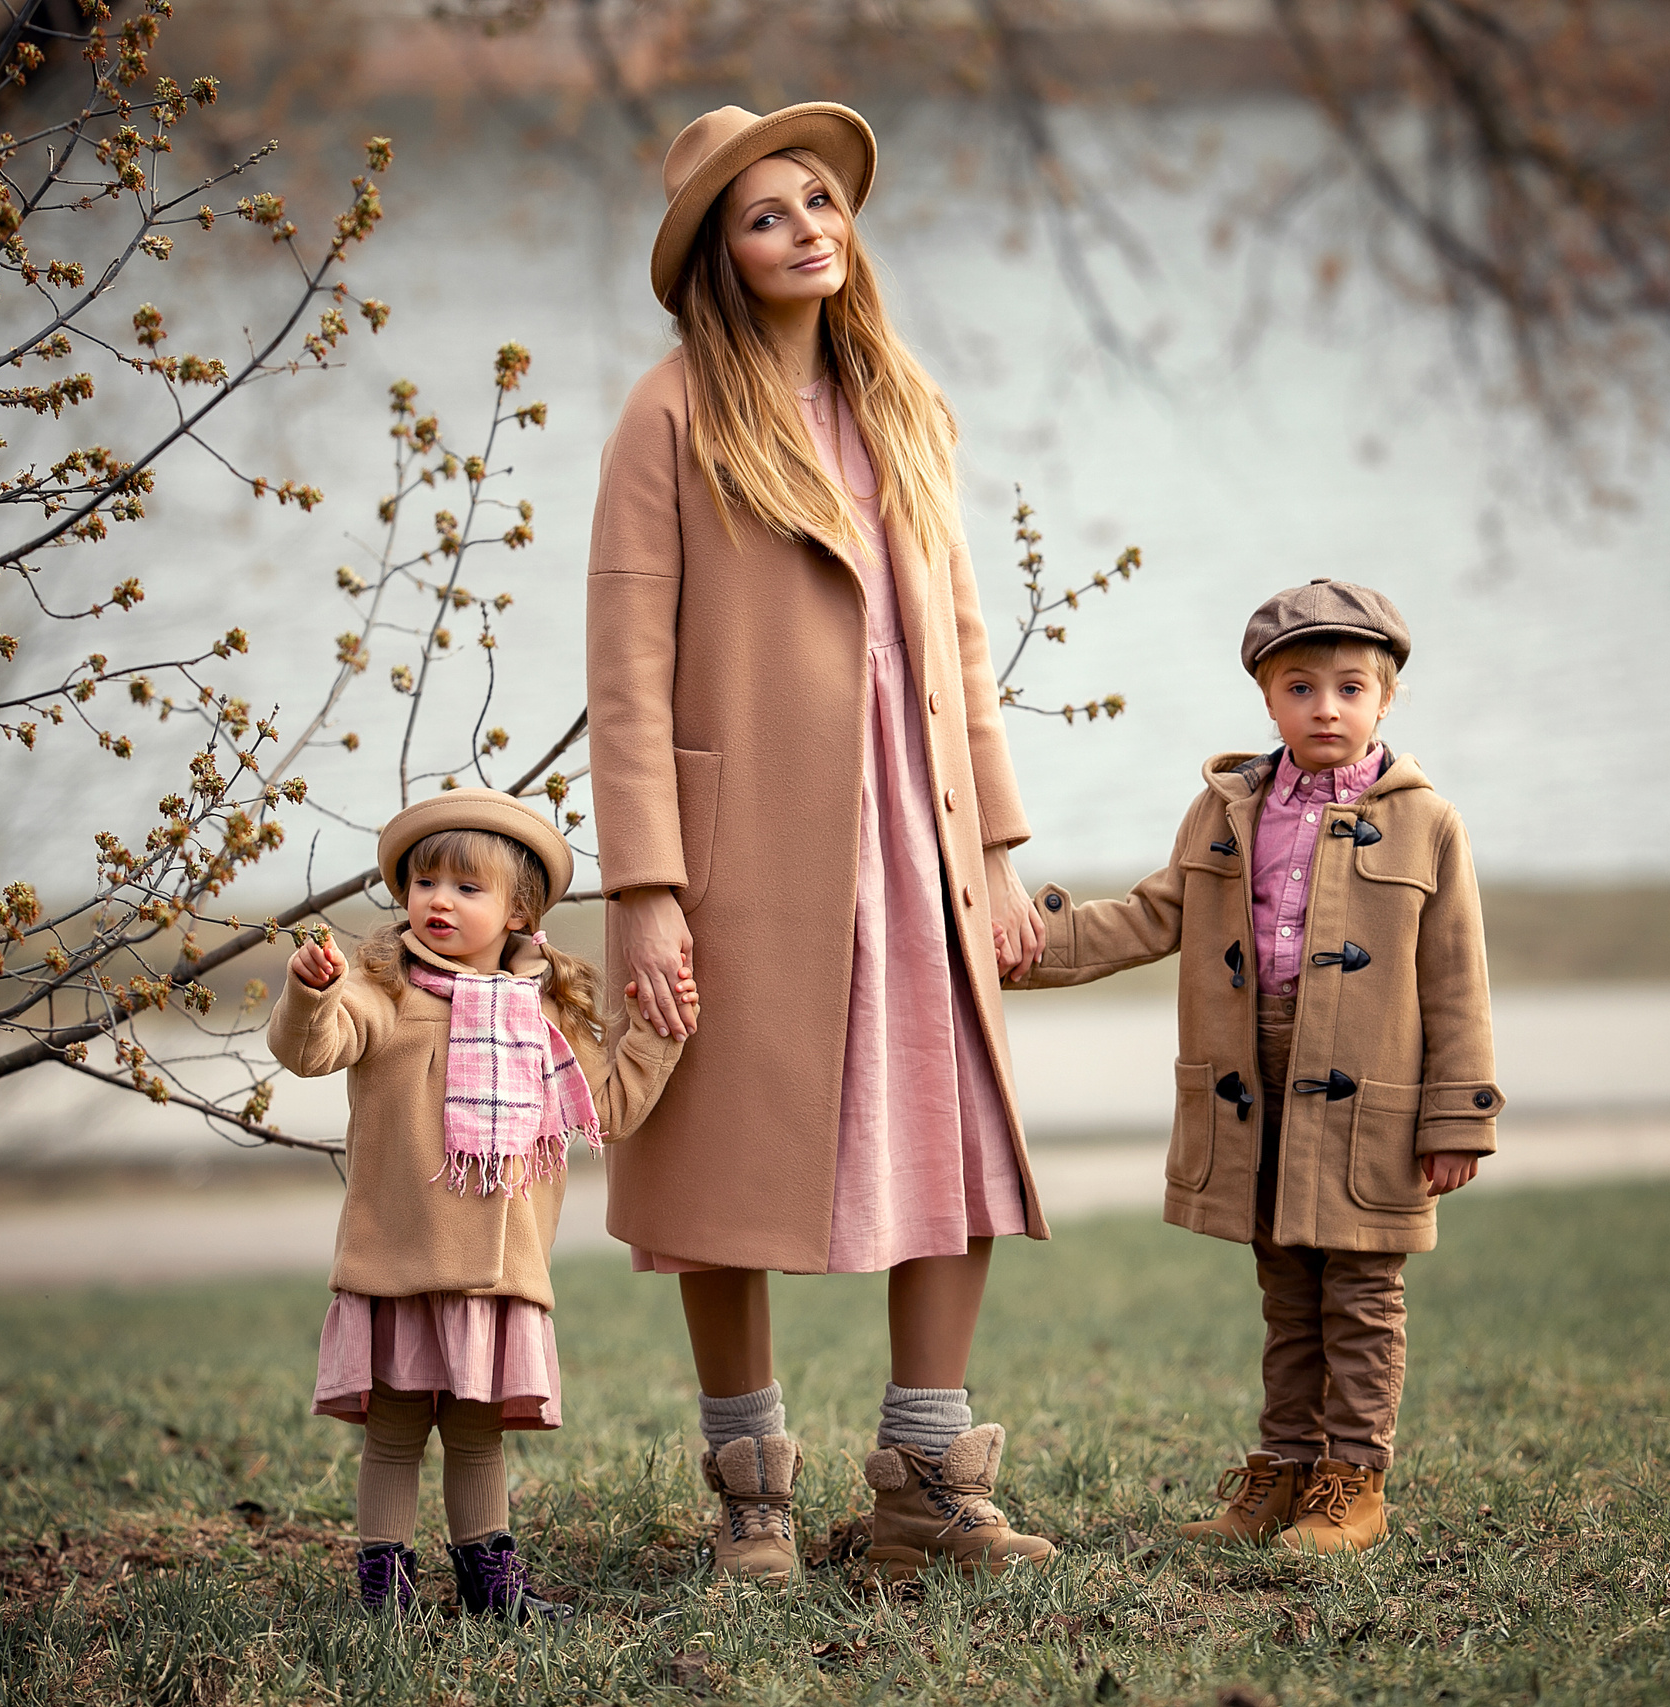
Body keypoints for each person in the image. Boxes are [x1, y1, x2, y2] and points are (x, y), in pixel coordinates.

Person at [585, 101, 1056, 1584]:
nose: (807, 228)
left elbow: (963, 646)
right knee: (720, 1156)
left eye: (819, 202)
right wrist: (649, 887)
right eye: (764, 214)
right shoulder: (670, 414)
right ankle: (752, 1499)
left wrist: (991, 843)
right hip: (744, 859)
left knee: (954, 1133)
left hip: (915, 835)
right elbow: (627, 668)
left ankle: (926, 1478)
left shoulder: (900, 404)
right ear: (719, 257)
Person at [1010, 580, 1504, 1553]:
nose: (1326, 706)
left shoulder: (1425, 823)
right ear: (1267, 700)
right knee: (1285, 1296)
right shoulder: (1228, 810)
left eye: (1350, 688)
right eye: (1300, 687)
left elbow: (1455, 980)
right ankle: (1280, 1474)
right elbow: (1154, 915)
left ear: (1384, 700)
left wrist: (1457, 1118)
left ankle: (1352, 1483)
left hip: (1370, 1104)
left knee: (1360, 1297)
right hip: (1256, 1094)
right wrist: (1024, 944)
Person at [266, 789, 692, 1616]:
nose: (439, 901)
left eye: (467, 888)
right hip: (398, 1258)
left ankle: (491, 1582)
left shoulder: (544, 1014)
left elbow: (608, 1107)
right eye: (425, 882)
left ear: (518, 910)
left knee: (476, 1435)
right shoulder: (380, 993)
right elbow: (312, 1048)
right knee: (393, 1434)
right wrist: (311, 993)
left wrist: (657, 1033)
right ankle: (383, 1590)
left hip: (498, 1274)